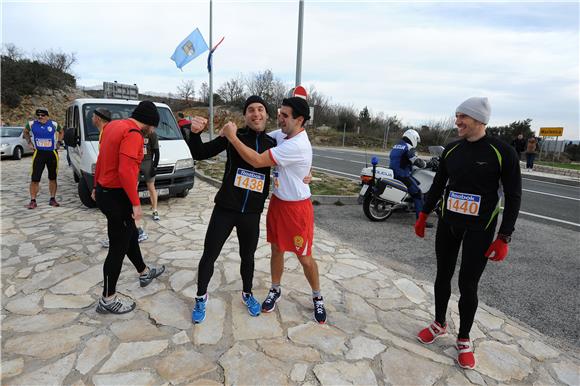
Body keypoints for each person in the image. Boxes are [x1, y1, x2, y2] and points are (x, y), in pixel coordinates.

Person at [414, 97, 521, 369]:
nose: (457, 121)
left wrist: (504, 236)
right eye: (457, 115)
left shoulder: (502, 152)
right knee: (442, 276)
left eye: (463, 116)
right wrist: (424, 214)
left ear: (479, 120)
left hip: (480, 229)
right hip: (449, 223)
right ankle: (439, 322)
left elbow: (514, 196)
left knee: (467, 285)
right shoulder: (452, 149)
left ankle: (464, 338)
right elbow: (438, 184)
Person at [221, 95, 327, 324]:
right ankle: (275, 289)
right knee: (277, 250)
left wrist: (232, 138)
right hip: (278, 203)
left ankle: (317, 296)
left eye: (285, 116)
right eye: (279, 113)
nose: (279, 119)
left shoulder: (296, 145)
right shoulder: (284, 134)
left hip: (297, 209)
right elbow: (257, 139)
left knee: (304, 257)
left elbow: (258, 160)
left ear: (299, 120)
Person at [188, 96, 277, 323]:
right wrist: (195, 133)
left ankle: (247, 294)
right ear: (245, 116)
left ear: (266, 115)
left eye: (260, 110)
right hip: (226, 208)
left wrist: (304, 174)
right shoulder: (233, 136)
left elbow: (290, 165)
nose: (256, 114)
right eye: (251, 110)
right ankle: (200, 297)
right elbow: (200, 153)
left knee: (247, 256)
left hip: (252, 212)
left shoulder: (273, 143)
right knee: (210, 254)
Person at [93, 101, 165, 314]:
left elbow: (101, 160)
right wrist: (135, 203)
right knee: (117, 248)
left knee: (129, 235)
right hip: (118, 196)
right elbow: (125, 171)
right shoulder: (134, 133)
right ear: (149, 122)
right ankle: (108, 299)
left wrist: (96, 186)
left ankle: (143, 272)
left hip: (105, 192)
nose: (152, 131)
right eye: (153, 127)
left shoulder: (113, 126)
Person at [389, 129, 431, 225]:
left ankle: (404, 206)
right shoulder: (409, 147)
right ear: (413, 138)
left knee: (417, 183)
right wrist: (427, 164)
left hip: (394, 173)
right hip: (402, 175)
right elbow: (417, 162)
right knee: (418, 194)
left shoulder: (397, 145)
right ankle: (421, 221)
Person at [23, 107, 63, 209]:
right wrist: (29, 142)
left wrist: (59, 142)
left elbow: (62, 131)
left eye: (43, 115)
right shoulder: (31, 124)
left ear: (47, 116)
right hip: (39, 154)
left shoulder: (53, 124)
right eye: (38, 115)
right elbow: (25, 132)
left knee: (53, 178)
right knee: (35, 178)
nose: (40, 117)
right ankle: (33, 201)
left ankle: (52, 199)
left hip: (52, 154)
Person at [141, 130, 160, 221]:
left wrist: (155, 167)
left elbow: (157, 152)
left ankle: (155, 210)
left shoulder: (152, 133)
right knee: (133, 187)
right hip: (136, 161)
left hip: (148, 161)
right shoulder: (135, 131)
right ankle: (132, 209)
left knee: (151, 187)